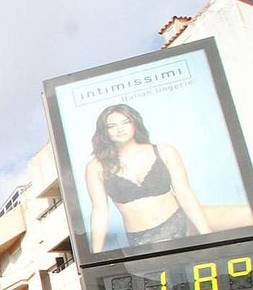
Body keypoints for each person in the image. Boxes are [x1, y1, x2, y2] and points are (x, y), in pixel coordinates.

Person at [84, 103, 211, 251]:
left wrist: (205, 233)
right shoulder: (96, 167)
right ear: (104, 132)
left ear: (135, 123)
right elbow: (100, 211)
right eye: (112, 126)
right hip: (139, 237)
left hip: (177, 223)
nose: (120, 129)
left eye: (125, 122)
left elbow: (184, 193)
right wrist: (96, 254)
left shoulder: (164, 152)